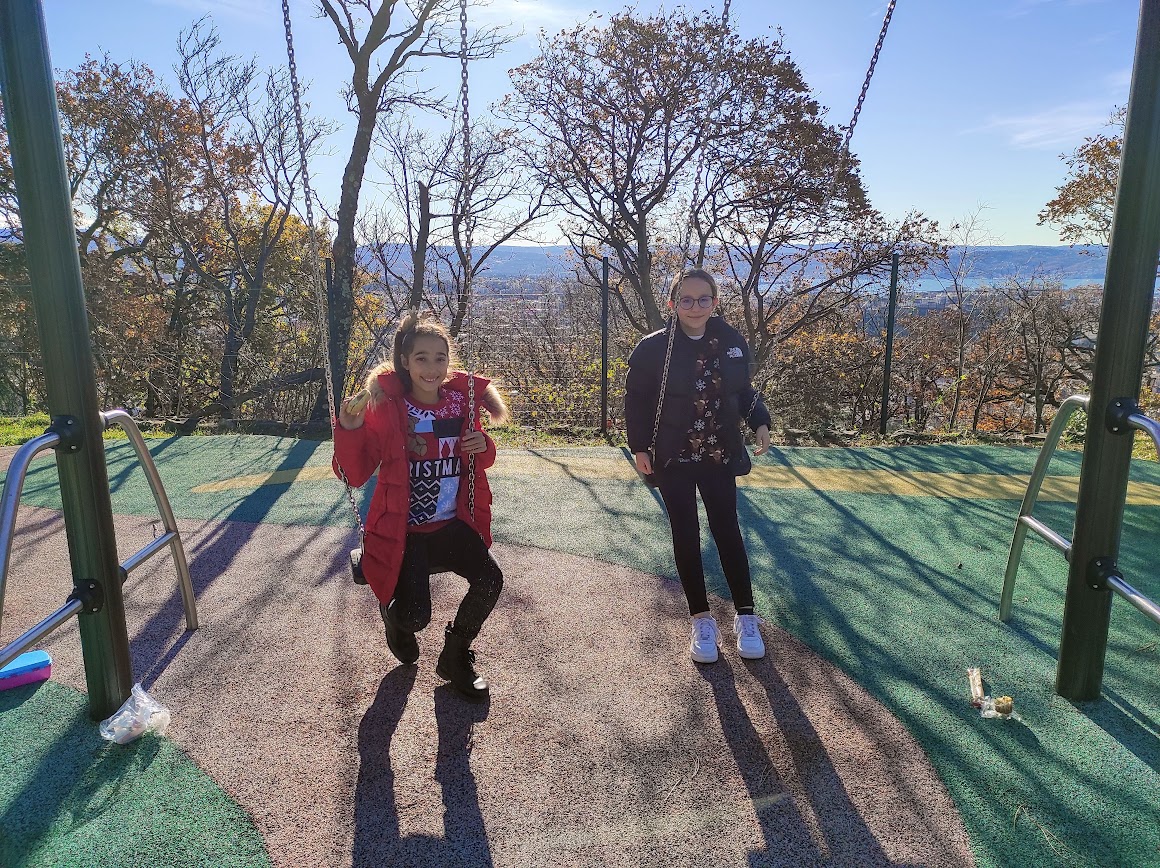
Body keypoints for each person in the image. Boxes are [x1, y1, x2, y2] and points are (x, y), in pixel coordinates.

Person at [333, 313, 508, 702]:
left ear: (450, 362)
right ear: (405, 362)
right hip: (405, 530)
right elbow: (355, 472)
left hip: (450, 523)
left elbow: (476, 456)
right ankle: (393, 617)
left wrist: (485, 446)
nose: (432, 368)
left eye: (440, 358)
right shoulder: (388, 408)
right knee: (415, 617)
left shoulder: (460, 403)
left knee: (490, 580)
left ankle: (455, 655)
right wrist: (347, 429)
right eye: (422, 358)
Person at [625, 268, 772, 664]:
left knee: (728, 531)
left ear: (715, 302)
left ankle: (746, 615)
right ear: (672, 304)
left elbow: (743, 391)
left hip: (719, 453)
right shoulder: (653, 348)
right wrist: (639, 446)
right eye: (685, 300)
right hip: (672, 455)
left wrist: (760, 420)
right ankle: (701, 620)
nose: (695, 306)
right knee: (685, 533)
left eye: (703, 299)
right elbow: (635, 400)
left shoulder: (730, 341)